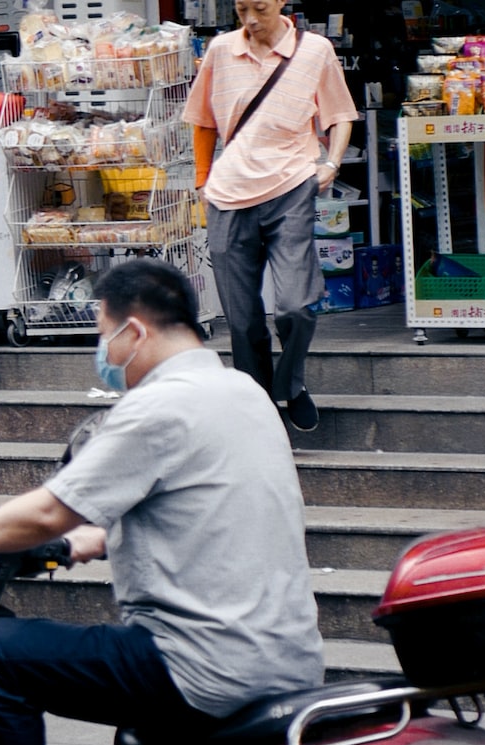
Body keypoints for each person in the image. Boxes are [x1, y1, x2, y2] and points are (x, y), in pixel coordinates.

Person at [0, 259, 324, 745]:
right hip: (281, 653)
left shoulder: (159, 406)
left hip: (200, 664)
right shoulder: (240, 391)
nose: (102, 350)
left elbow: (47, 509)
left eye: (101, 331)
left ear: (136, 332)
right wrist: (90, 538)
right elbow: (191, 501)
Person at [182, 0, 360, 432]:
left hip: (290, 184)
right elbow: (203, 120)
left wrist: (332, 163)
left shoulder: (315, 50)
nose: (250, 20)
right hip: (227, 195)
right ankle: (257, 403)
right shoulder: (222, 51)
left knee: (296, 305)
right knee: (241, 320)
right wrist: (204, 179)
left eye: (259, 8)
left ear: (280, 2)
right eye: (242, 9)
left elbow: (339, 115)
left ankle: (291, 385)